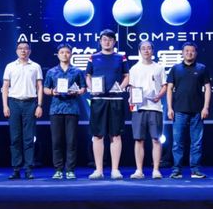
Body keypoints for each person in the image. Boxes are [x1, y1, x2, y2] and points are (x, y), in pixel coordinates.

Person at [85, 29, 129, 179]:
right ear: (100, 41)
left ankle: (115, 170)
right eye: (104, 39)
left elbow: (127, 76)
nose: (107, 42)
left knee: (115, 135)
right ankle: (99, 170)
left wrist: (120, 88)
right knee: (98, 135)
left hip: (115, 100)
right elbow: (88, 76)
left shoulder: (121, 58)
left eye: (110, 39)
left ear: (114, 42)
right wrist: (92, 88)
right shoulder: (93, 57)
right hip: (98, 100)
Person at [166, 41, 212, 179]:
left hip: (197, 111)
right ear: (182, 53)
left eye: (192, 51)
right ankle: (177, 171)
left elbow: (208, 88)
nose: (189, 53)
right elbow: (169, 89)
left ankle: (195, 170)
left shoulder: (202, 68)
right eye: (187, 51)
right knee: (177, 143)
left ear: (196, 53)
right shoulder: (175, 69)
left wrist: (205, 107)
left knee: (196, 143)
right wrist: (169, 108)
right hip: (179, 111)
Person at [43, 44, 86, 180]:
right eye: (62, 52)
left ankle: (70, 170)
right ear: (58, 55)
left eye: (67, 52)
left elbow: (83, 88)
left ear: (71, 54)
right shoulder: (51, 72)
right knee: (56, 141)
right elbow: (45, 88)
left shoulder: (77, 71)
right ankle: (58, 170)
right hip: (56, 109)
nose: (65, 54)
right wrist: (52, 92)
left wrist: (77, 92)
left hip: (72, 109)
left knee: (71, 141)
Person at [2, 41, 43, 179]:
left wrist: (39, 105)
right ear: (16, 51)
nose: (23, 51)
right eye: (20, 48)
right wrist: (5, 105)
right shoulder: (10, 66)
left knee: (28, 138)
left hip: (30, 103)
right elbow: (5, 87)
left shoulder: (36, 66)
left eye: (26, 49)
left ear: (30, 51)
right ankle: (16, 169)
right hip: (13, 103)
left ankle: (29, 169)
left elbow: (40, 87)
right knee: (15, 138)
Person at [128, 41, 167, 179]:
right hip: (138, 108)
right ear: (139, 51)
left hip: (155, 108)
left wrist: (159, 96)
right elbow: (131, 87)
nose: (146, 51)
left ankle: (156, 170)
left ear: (153, 50)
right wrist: (131, 97)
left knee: (156, 139)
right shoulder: (134, 69)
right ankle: (139, 170)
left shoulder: (159, 68)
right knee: (139, 140)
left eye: (148, 48)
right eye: (143, 48)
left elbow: (164, 86)